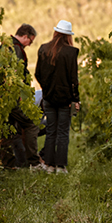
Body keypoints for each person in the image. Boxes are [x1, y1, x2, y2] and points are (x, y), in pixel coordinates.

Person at [34, 19, 81, 173]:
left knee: (51, 131)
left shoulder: (43, 49)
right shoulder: (71, 52)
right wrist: (75, 99)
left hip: (48, 97)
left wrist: (47, 88)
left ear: (55, 32)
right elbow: (74, 79)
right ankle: (60, 167)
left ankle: (49, 165)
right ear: (68, 36)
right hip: (65, 100)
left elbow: (37, 74)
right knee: (62, 133)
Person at [5, 24, 42, 169]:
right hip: (13, 98)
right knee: (31, 124)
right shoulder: (16, 49)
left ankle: (10, 164)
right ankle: (33, 162)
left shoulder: (5, 45)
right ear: (25, 36)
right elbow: (17, 75)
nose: (30, 45)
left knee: (8, 129)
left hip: (4, 98)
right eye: (30, 41)